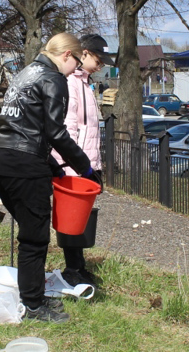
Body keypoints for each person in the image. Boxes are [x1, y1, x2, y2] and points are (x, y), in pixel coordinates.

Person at [0, 32, 102, 324]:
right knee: (35, 238)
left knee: (30, 231)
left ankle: (31, 296)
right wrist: (84, 166)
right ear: (67, 55)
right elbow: (55, 132)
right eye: (76, 62)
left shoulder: (26, 73)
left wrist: (53, 165)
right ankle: (34, 305)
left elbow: (23, 127)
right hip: (24, 167)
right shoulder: (53, 78)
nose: (76, 68)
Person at [50, 33, 115, 288]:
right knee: (71, 217)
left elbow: (90, 128)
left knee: (82, 218)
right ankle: (72, 268)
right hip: (73, 165)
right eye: (98, 59)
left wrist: (94, 164)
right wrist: (71, 163)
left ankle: (78, 265)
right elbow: (70, 126)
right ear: (84, 53)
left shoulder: (87, 83)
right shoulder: (71, 82)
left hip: (87, 162)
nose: (101, 66)